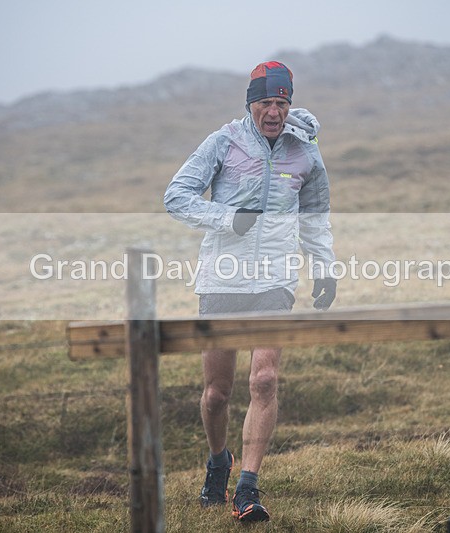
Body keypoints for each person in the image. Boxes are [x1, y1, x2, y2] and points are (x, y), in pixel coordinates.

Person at [163, 61, 337, 523]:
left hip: (275, 281)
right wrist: (226, 218)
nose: (274, 111)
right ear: (250, 104)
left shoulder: (305, 152)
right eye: (265, 103)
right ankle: (219, 461)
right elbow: (175, 195)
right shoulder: (223, 142)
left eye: (282, 102)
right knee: (217, 393)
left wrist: (324, 269)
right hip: (221, 279)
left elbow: (315, 216)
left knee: (264, 380)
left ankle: (248, 488)